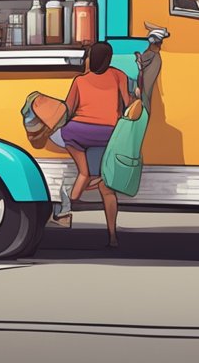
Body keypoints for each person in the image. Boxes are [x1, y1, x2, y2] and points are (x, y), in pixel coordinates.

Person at [52, 41, 136, 247]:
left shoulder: (80, 81)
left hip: (78, 133)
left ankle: (66, 202)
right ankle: (113, 236)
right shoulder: (119, 76)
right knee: (107, 189)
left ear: (91, 58)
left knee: (80, 167)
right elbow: (127, 104)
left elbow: (68, 109)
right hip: (107, 134)